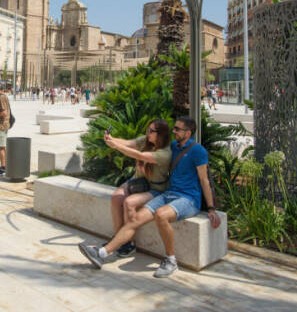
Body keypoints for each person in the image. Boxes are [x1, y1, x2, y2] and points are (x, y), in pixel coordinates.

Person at [78, 117, 221, 278]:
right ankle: (101, 253)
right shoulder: (173, 146)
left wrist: (210, 208)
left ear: (188, 133)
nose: (174, 131)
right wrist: (113, 140)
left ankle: (171, 260)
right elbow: (134, 144)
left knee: (161, 215)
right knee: (135, 219)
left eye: (177, 129)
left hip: (189, 199)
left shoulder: (198, 151)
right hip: (169, 194)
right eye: (173, 128)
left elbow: (204, 180)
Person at [106, 119, 172, 257]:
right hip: (138, 181)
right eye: (148, 129)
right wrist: (112, 139)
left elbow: (140, 155)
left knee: (130, 202)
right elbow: (129, 143)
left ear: (161, 134)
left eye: (151, 131)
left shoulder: (164, 153)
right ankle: (119, 239)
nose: (148, 133)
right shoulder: (146, 141)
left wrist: (116, 146)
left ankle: (129, 243)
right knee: (116, 197)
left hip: (154, 189)